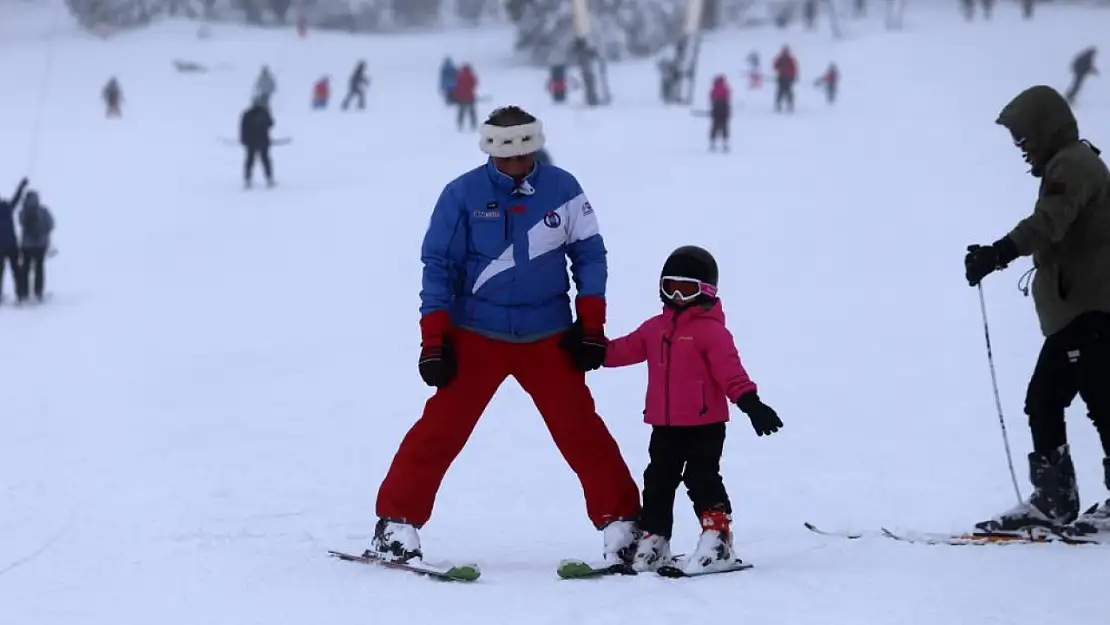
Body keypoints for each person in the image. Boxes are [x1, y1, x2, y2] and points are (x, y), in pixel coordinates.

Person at [368, 105, 642, 565]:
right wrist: (434, 341)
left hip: (547, 333)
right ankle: (396, 525)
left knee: (580, 430)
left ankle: (624, 526)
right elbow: (439, 266)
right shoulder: (462, 194)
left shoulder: (564, 189)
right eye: (507, 157)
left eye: (525, 154)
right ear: (491, 151)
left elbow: (590, 255)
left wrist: (591, 325)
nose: (516, 165)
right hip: (478, 333)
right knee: (440, 430)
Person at [966, 85, 1110, 535]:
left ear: (1046, 130)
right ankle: (1054, 499)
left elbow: (1049, 221)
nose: (1021, 149)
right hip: (1080, 310)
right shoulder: (1072, 161)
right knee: (1052, 401)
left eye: (1024, 137)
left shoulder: (1071, 165)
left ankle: (1054, 500)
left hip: (1090, 310)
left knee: (1081, 402)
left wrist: (998, 253)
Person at [603, 245, 782, 574]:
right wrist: (589, 350)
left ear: (707, 291)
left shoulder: (711, 332)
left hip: (705, 425)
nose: (677, 296)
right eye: (670, 287)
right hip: (664, 425)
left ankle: (718, 539)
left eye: (686, 289)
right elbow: (620, 351)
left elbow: (731, 373)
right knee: (657, 480)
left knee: (701, 479)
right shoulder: (653, 328)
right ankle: (655, 540)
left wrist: (751, 403)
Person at [19, 190, 54, 302]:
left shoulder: (23, 211)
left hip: (27, 245)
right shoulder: (43, 211)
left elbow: (21, 222)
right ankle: (38, 292)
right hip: (40, 245)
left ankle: (24, 293)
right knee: (39, 269)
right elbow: (51, 224)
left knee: (25, 269)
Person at [0, 177, 28, 304]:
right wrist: (22, 185)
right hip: (12, 245)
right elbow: (16, 198)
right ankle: (20, 294)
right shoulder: (8, 209)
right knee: (16, 270)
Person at [239, 97, 275, 188]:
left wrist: (243, 139)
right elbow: (271, 124)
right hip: (263, 141)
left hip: (251, 142)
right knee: (265, 160)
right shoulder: (264, 113)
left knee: (250, 161)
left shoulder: (247, 114)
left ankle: (248, 180)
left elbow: (243, 128)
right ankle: (269, 179)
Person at [708, 75, 731, 152]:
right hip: (724, 107)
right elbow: (728, 97)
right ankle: (725, 143)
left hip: (716, 107)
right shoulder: (725, 88)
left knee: (714, 126)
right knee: (724, 126)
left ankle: (712, 143)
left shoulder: (714, 88)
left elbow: (711, 97)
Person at [772, 45, 798, 113]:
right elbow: (775, 66)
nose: (785, 53)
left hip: (788, 78)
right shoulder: (780, 59)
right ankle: (778, 104)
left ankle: (789, 104)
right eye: (784, 52)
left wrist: (793, 77)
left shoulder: (790, 59)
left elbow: (794, 69)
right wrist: (780, 69)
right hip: (781, 77)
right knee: (780, 91)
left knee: (788, 91)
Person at [453, 64, 478, 131]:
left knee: (461, 111)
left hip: (461, 96)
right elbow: (475, 84)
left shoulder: (459, 76)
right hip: (470, 96)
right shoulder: (472, 75)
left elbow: (456, 85)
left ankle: (460, 124)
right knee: (472, 112)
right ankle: (473, 124)